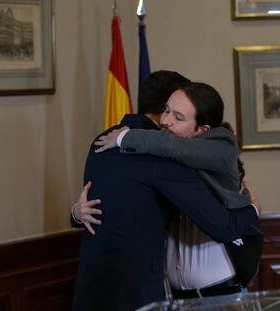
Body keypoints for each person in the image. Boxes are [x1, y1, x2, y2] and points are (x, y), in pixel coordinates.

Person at [71, 71, 260, 311]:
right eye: (169, 111)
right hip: (138, 290)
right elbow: (223, 225)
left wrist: (76, 213)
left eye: (178, 115)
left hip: (93, 282)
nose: (167, 121)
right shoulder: (159, 153)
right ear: (163, 106)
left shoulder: (101, 140)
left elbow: (97, 205)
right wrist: (253, 208)